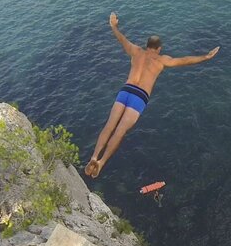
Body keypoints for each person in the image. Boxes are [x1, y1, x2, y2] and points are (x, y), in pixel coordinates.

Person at [84, 12, 220, 178]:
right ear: (159, 48)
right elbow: (184, 60)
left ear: (146, 45)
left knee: (109, 125)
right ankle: (102, 162)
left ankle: (93, 156)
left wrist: (113, 26)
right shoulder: (162, 60)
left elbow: (122, 39)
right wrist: (205, 57)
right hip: (139, 97)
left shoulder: (136, 51)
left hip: (126, 90)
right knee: (119, 131)